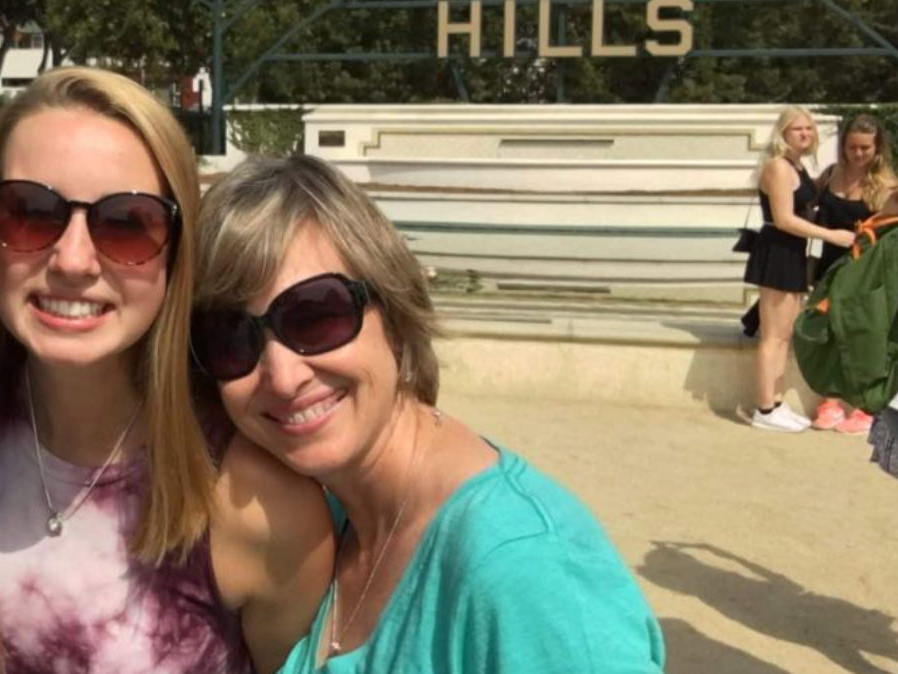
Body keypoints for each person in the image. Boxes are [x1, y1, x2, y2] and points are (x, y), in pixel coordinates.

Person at [192, 154, 666, 674]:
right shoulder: (326, 517)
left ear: (393, 314)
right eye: (230, 338)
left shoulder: (526, 566)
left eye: (315, 314)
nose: (282, 376)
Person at [0, 67, 333, 674]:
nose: (73, 261)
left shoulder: (261, 511)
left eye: (127, 223)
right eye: (29, 212)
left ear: (176, 257)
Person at [743, 106, 856, 432]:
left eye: (809, 128)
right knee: (773, 337)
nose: (805, 134)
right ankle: (764, 408)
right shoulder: (778, 167)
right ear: (783, 132)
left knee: (784, 335)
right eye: (797, 129)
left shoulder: (797, 166)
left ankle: (775, 403)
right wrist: (831, 235)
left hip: (791, 253)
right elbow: (784, 219)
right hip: (777, 252)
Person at [808, 113, 896, 436]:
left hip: (866, 274)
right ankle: (830, 402)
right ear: (843, 146)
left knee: (865, 337)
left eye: (865, 148)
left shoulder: (886, 186)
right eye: (852, 147)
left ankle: (863, 409)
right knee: (829, 334)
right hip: (830, 268)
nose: (858, 154)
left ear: (877, 148)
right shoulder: (830, 176)